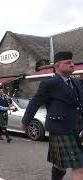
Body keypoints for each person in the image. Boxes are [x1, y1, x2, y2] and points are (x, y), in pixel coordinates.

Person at [20, 51, 83, 180]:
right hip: (60, 129)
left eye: (72, 62)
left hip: (77, 129)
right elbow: (35, 102)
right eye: (68, 63)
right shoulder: (49, 84)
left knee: (62, 166)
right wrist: (25, 122)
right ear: (57, 66)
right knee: (78, 167)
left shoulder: (77, 83)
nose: (72, 65)